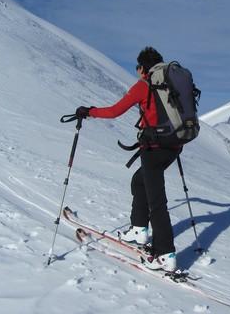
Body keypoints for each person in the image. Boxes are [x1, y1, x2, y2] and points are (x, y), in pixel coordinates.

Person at [75, 47, 179, 272]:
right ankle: (140, 230)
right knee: (139, 181)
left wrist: (89, 111)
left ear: (143, 68)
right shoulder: (173, 83)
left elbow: (114, 111)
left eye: (137, 68)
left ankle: (165, 255)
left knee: (157, 203)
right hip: (174, 147)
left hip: (153, 148)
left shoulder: (145, 85)